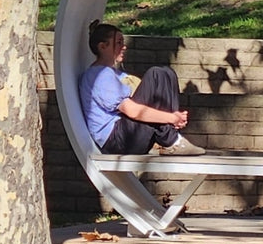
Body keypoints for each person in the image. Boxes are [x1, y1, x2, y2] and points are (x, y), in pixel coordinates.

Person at [79, 20, 205, 156]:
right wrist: (171, 117)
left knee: (166, 73)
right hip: (117, 142)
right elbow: (132, 111)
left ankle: (170, 138)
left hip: (127, 136)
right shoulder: (99, 75)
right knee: (155, 74)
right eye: (119, 42)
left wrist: (174, 117)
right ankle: (172, 140)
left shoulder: (115, 73)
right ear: (103, 47)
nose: (124, 47)